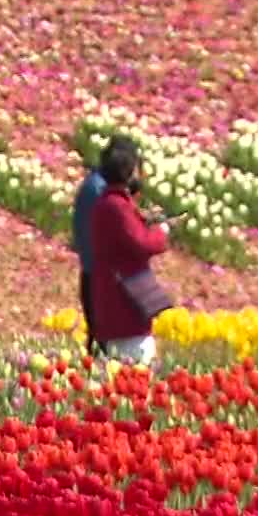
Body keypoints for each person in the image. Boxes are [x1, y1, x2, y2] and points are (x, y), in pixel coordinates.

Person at [87, 142, 171, 365]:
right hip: (124, 300)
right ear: (129, 171)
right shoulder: (116, 206)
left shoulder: (108, 202)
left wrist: (143, 219)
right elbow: (140, 242)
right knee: (137, 364)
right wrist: (162, 232)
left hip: (113, 297)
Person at [71, 137, 136, 355]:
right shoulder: (100, 192)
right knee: (104, 346)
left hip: (92, 274)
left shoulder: (94, 184)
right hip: (99, 278)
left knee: (99, 342)